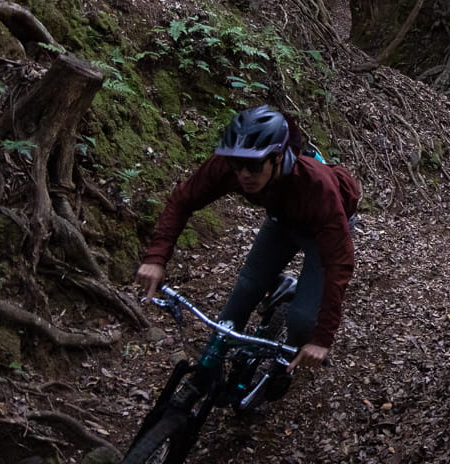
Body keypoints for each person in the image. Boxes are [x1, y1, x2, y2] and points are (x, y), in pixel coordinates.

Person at [136, 105, 359, 378]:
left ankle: (284, 365)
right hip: (282, 220)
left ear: (277, 158)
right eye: (236, 164)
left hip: (322, 230)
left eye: (254, 166)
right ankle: (209, 370)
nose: (243, 174)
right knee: (244, 291)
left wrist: (322, 338)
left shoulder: (316, 186)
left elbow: (339, 264)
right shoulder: (230, 167)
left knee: (302, 322)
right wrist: (156, 258)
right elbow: (183, 200)